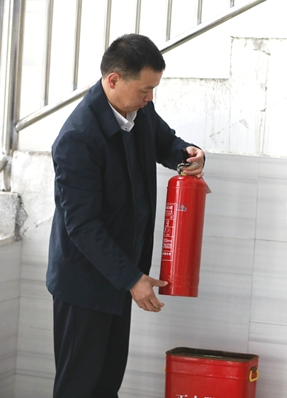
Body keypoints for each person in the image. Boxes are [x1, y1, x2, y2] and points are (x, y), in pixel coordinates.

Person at [46, 33, 205, 398]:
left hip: (119, 276)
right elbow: (82, 226)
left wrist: (188, 155)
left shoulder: (138, 110)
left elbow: (166, 142)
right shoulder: (77, 138)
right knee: (78, 388)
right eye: (145, 90)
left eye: (153, 90)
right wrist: (132, 278)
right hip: (84, 284)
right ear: (114, 80)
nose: (150, 99)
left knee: (107, 385)